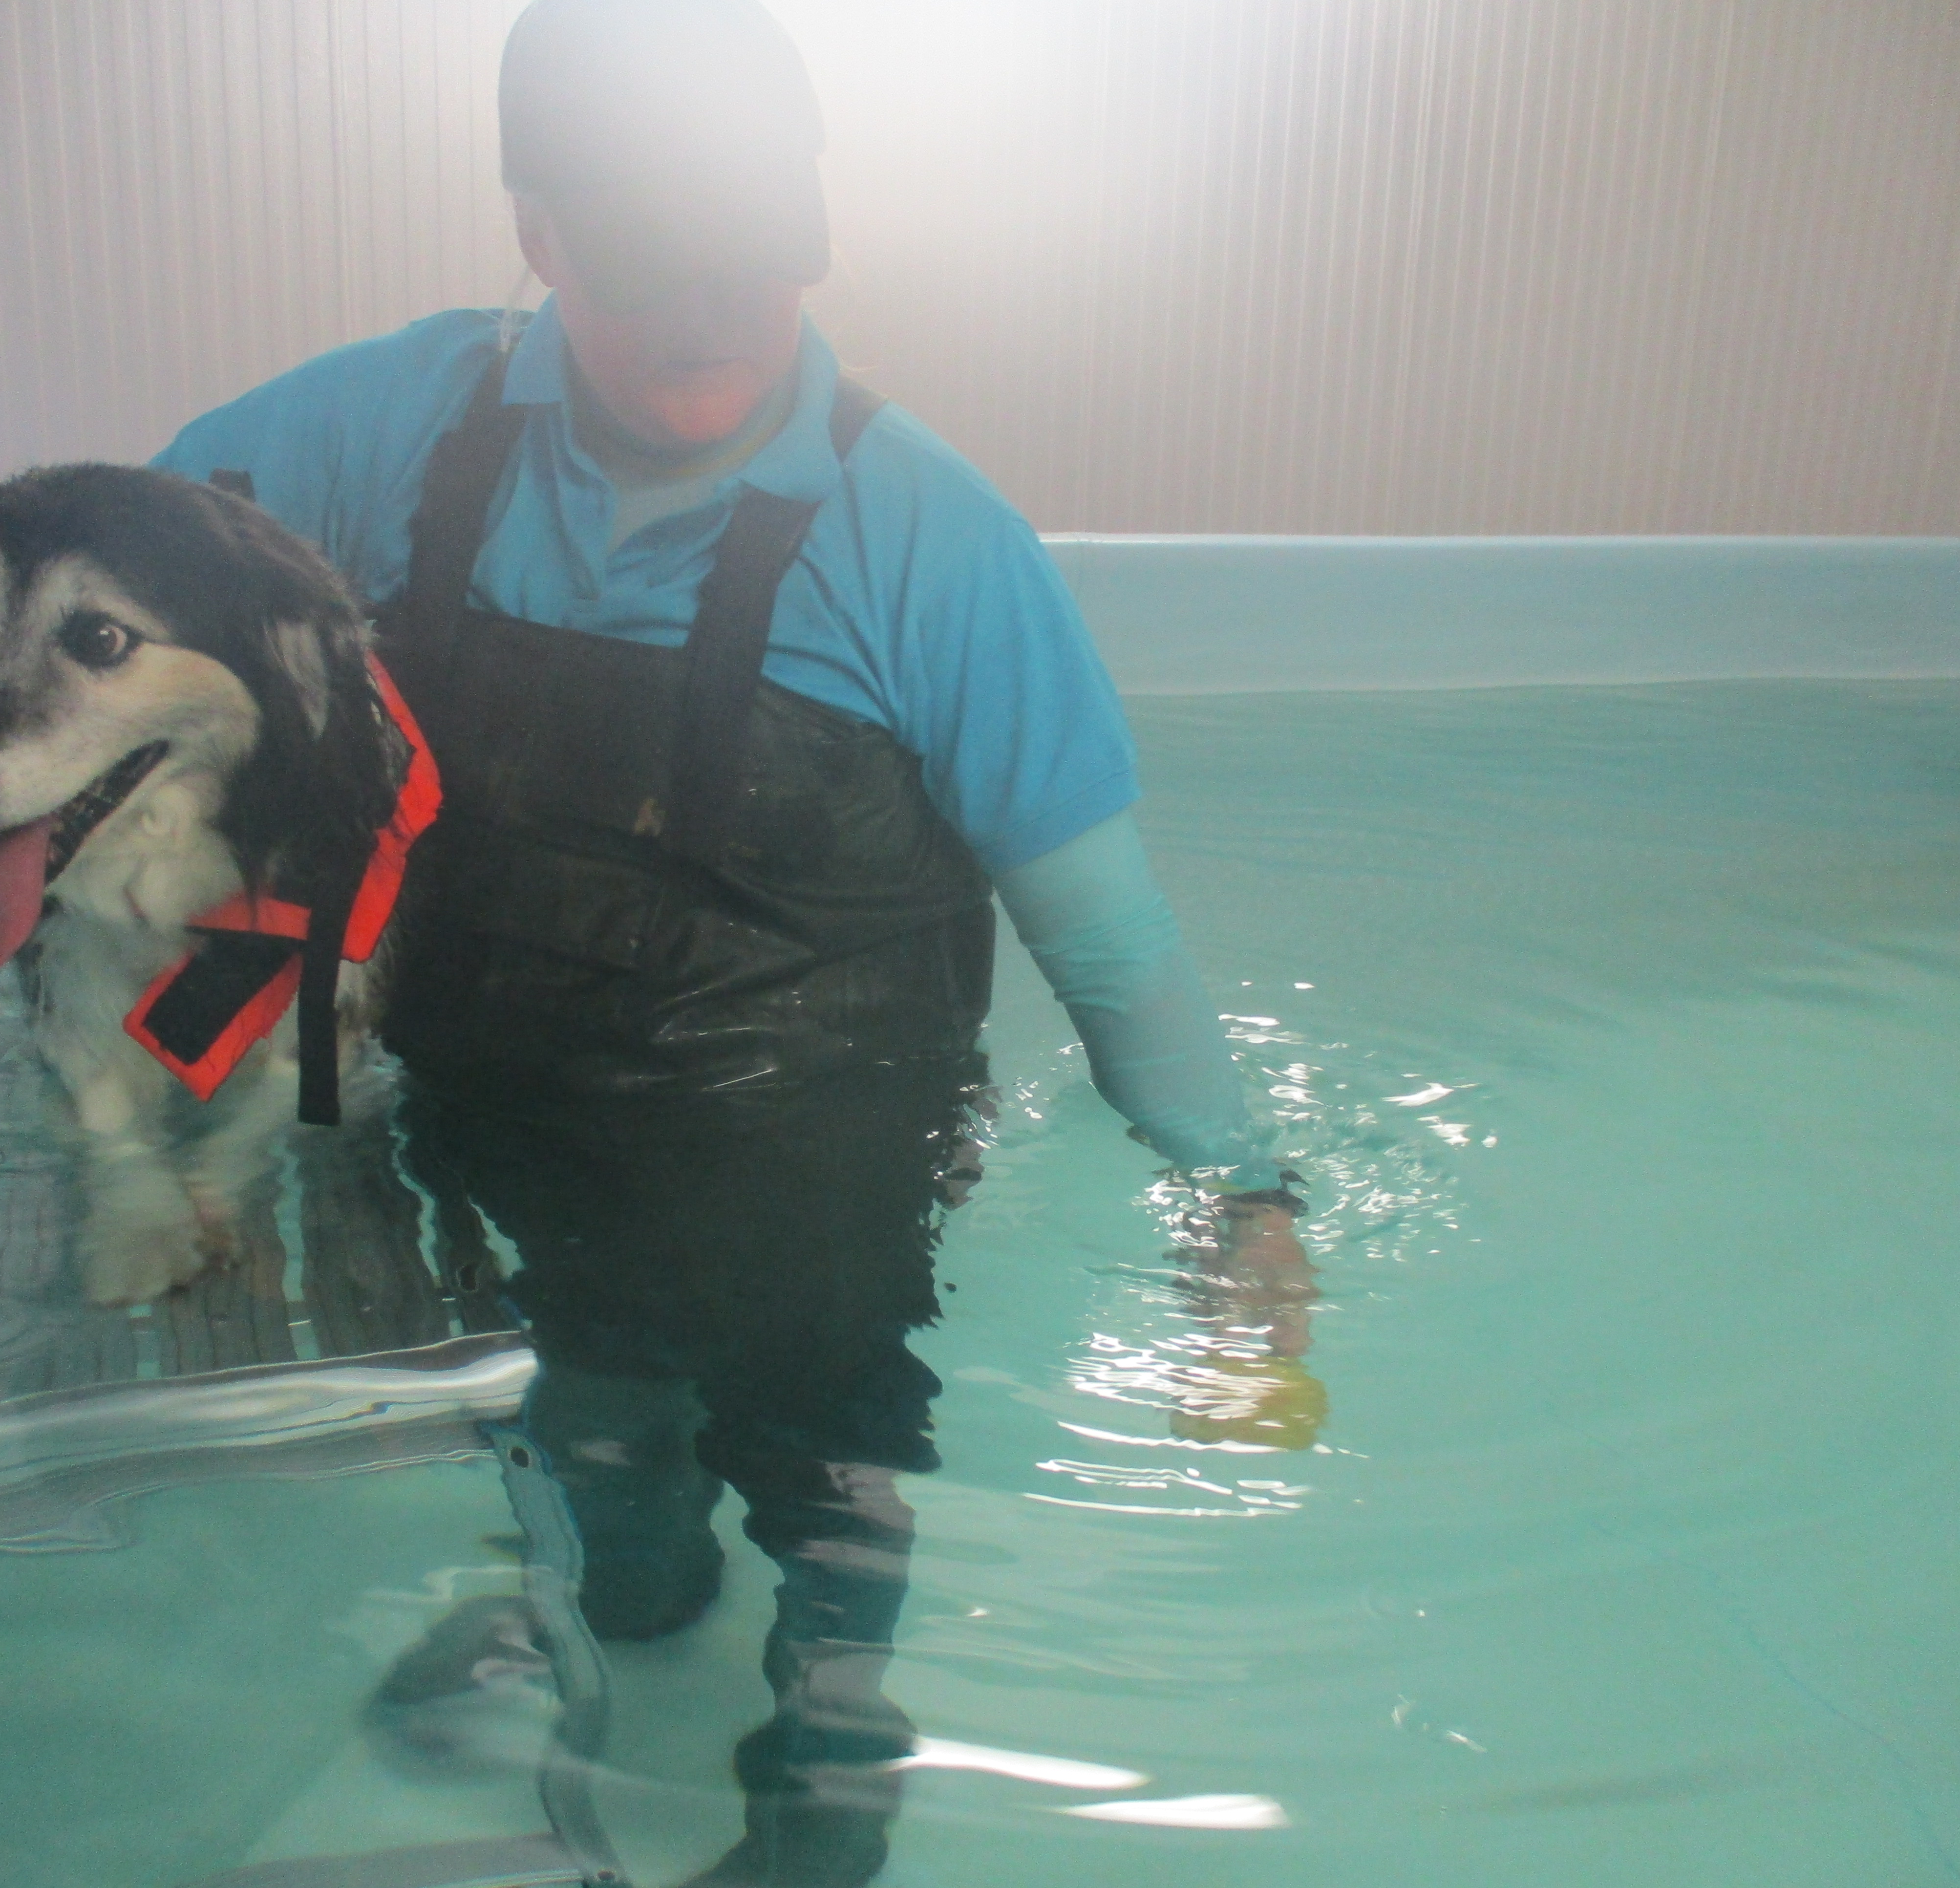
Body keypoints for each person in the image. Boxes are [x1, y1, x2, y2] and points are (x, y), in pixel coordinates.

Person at [154, 2, 1303, 1880]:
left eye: (755, 263)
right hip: (504, 1110)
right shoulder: (396, 433)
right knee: (588, 1452)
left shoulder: (928, 539)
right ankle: (605, 1594)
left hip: (814, 1153)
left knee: (822, 1445)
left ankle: (835, 1716)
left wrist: (1251, 1201)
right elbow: (126, 584)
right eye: (653, 262)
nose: (711, 316)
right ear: (539, 234)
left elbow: (1112, 947)